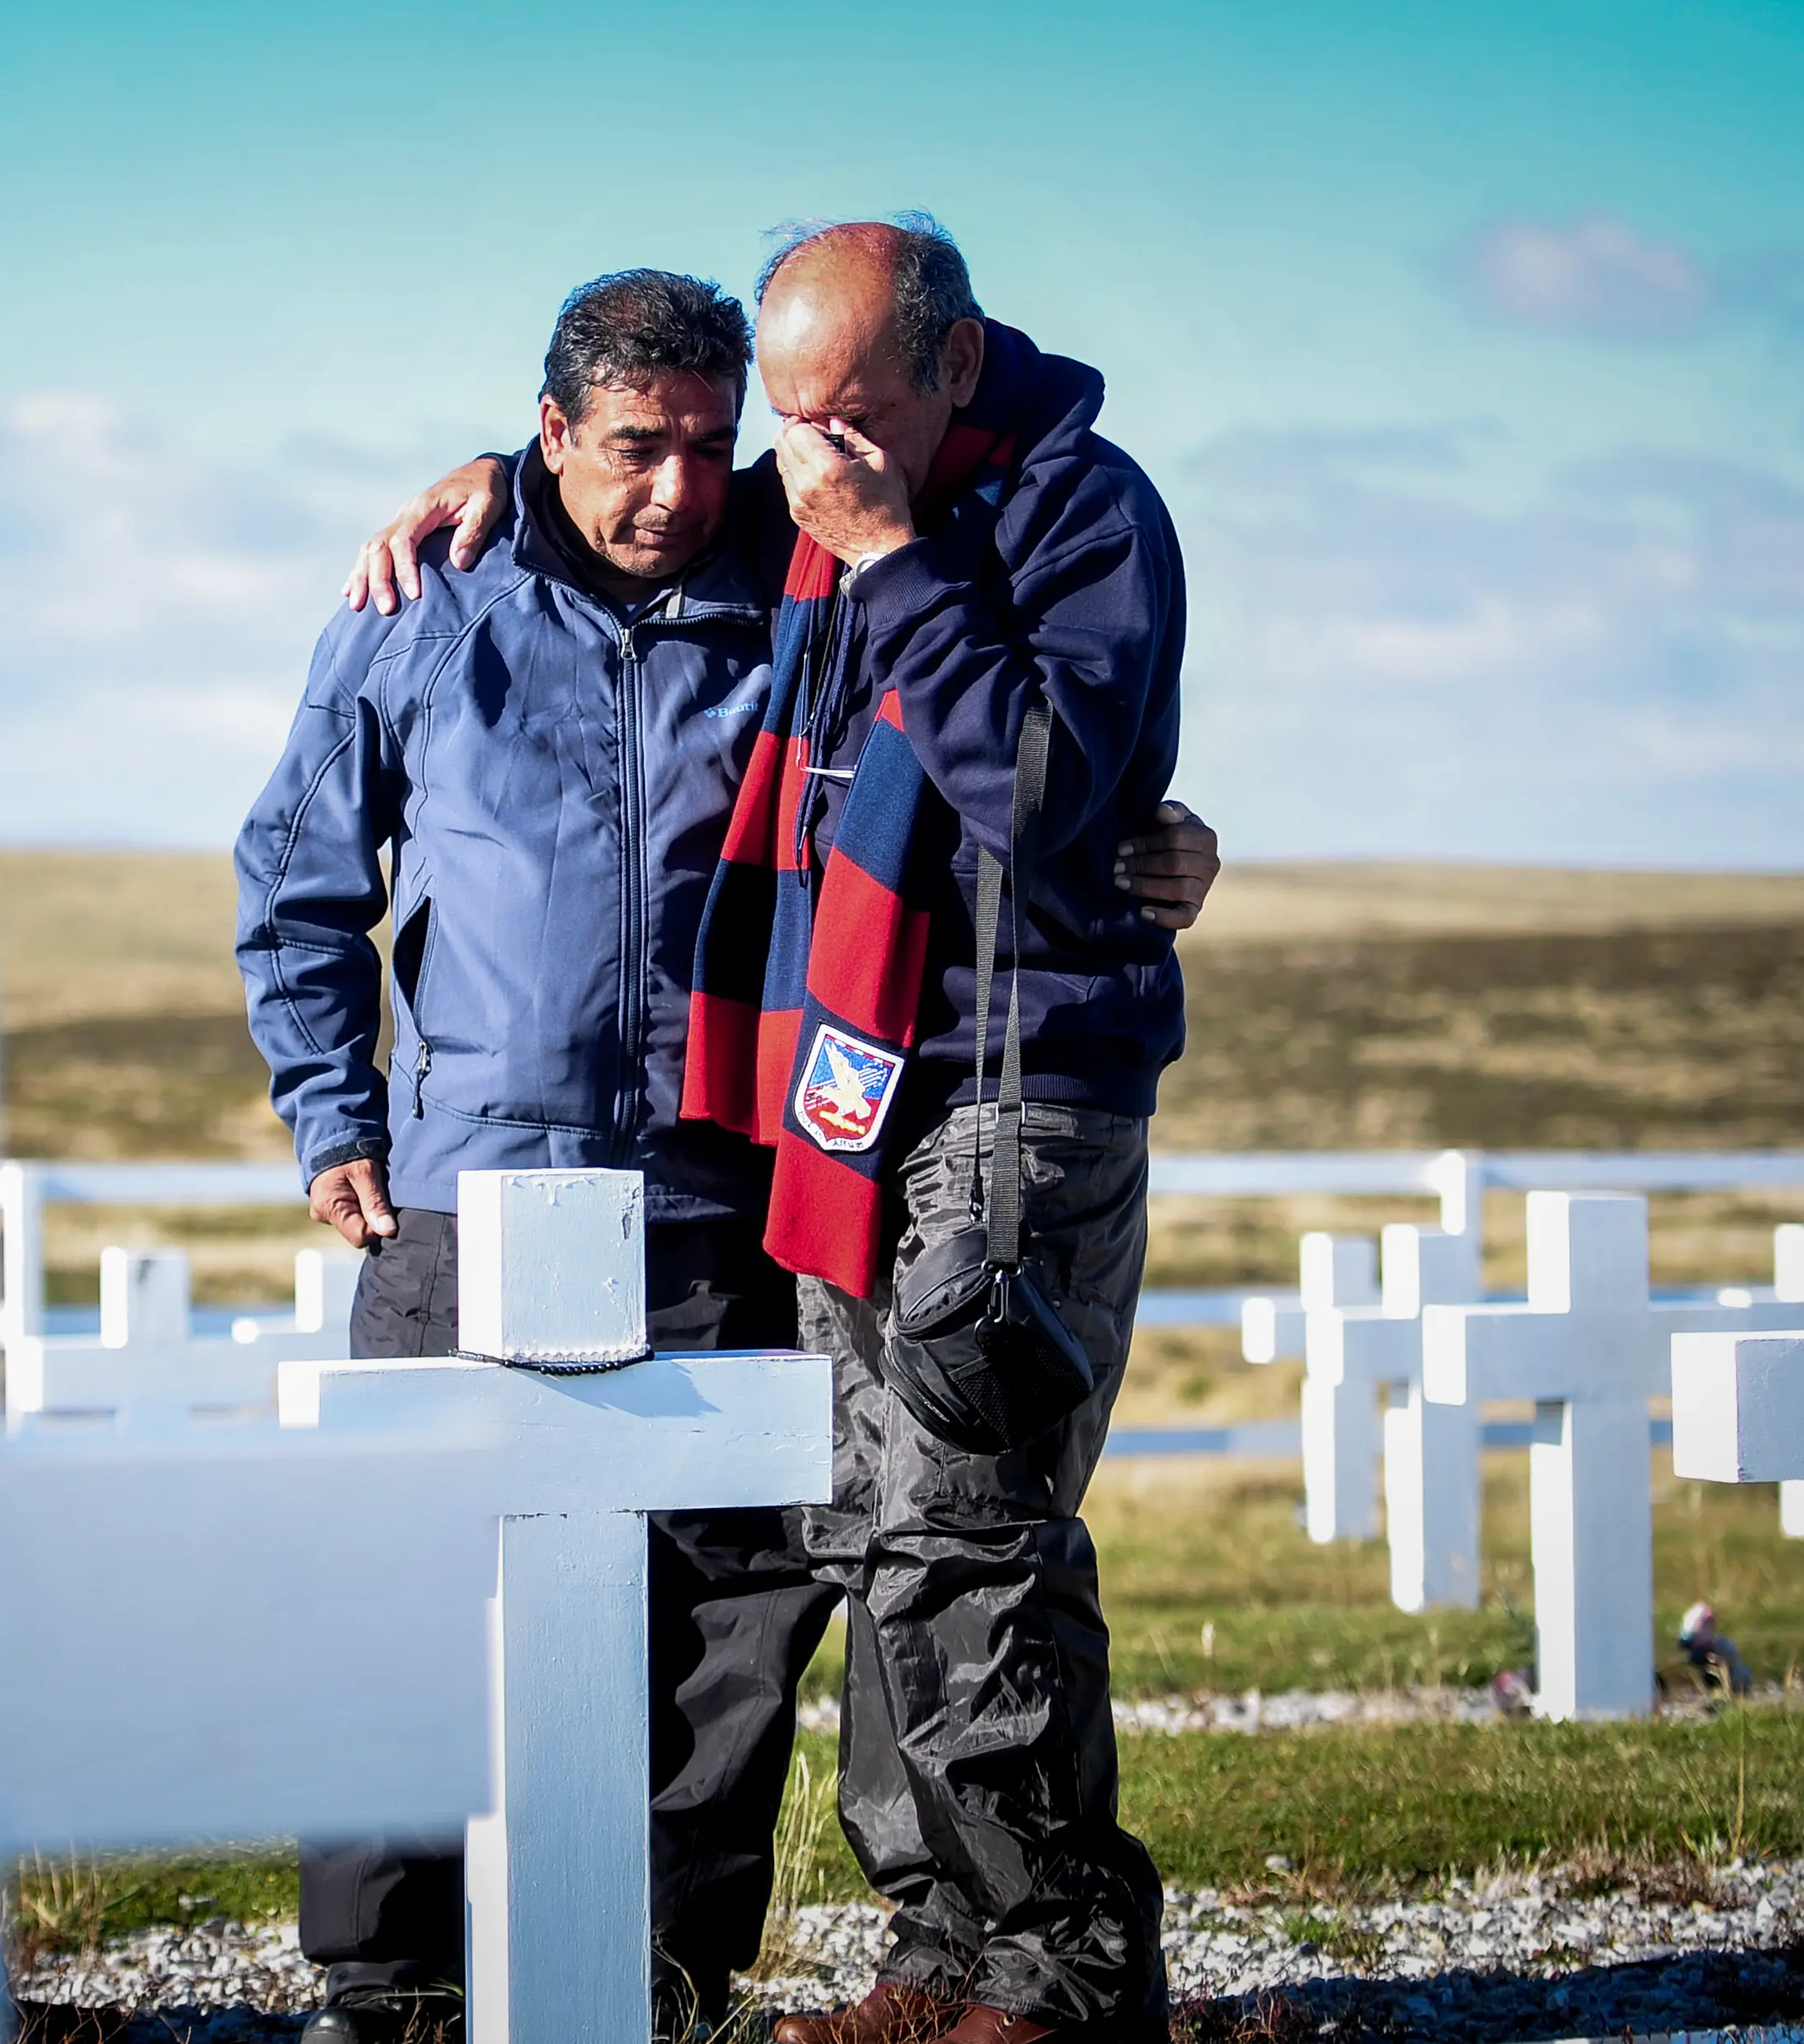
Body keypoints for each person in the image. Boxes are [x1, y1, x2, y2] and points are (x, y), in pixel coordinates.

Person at [240, 256, 1217, 2043]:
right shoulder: (421, 602)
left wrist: (1154, 841)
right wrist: (331, 1111)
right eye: (631, 448)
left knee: (726, 1606)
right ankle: (380, 1984)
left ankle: (658, 1974)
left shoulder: (798, 558)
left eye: (712, 446)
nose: (678, 488)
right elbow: (297, 877)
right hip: (467, 1180)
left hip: (719, 1176)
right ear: (548, 435)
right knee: (399, 1587)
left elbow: (1007, 730)